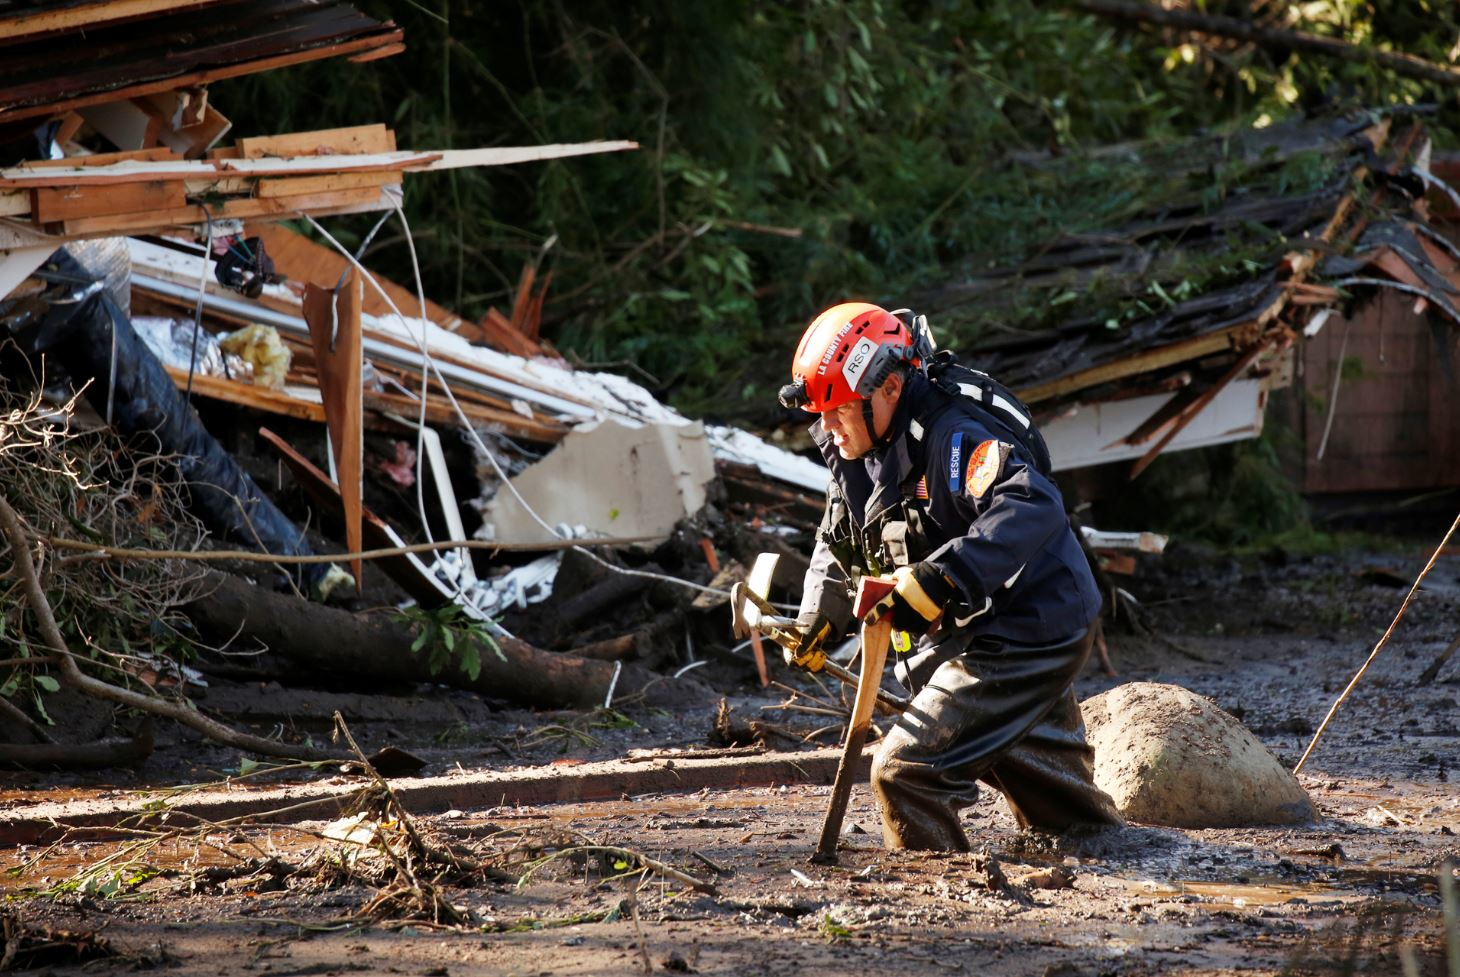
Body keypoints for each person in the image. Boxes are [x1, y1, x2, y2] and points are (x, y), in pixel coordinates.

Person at [778, 301, 1123, 851]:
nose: (827, 425)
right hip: (968, 630)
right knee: (1066, 816)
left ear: (890, 388)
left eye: (839, 409)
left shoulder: (953, 436)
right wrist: (818, 617)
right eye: (821, 412)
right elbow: (837, 534)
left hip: (1030, 628)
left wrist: (944, 576)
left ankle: (942, 914)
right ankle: (1115, 852)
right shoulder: (855, 443)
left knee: (906, 773)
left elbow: (1032, 502)